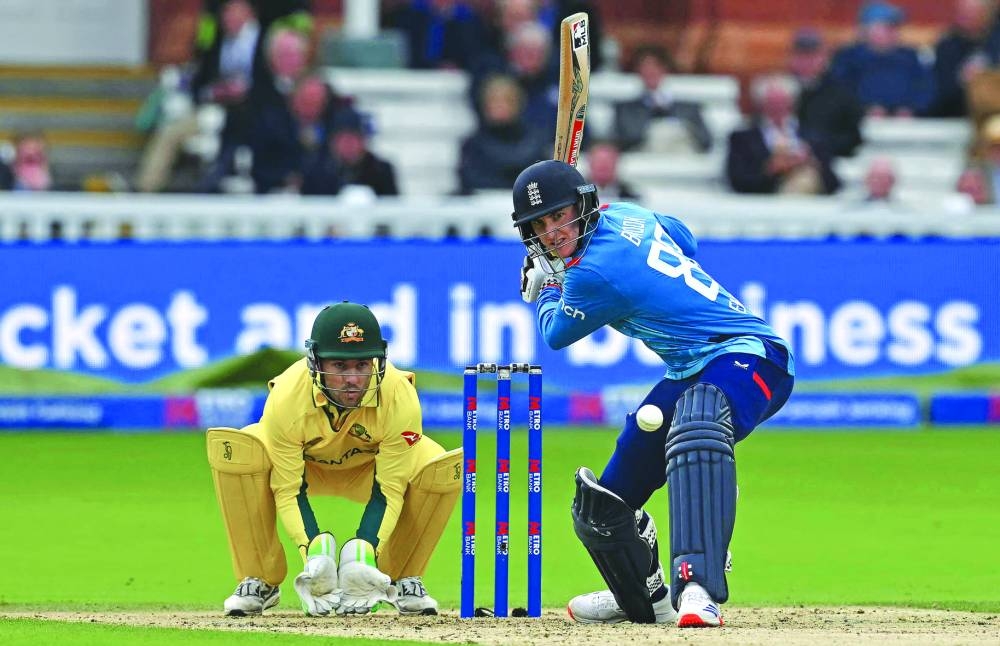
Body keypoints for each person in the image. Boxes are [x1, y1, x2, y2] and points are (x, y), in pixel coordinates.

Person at [512, 160, 795, 628]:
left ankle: (699, 587)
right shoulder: (629, 214)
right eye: (540, 226)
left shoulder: (593, 277)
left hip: (752, 355)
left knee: (697, 422)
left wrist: (545, 288)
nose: (553, 232)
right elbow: (685, 239)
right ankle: (642, 595)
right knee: (603, 503)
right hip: (691, 366)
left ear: (581, 207)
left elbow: (556, 332)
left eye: (559, 216)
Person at [207, 302, 461, 617]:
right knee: (239, 448)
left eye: (362, 366)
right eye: (339, 366)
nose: (353, 379)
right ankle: (259, 578)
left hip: (368, 471)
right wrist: (313, 554)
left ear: (378, 362)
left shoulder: (399, 396)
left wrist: (365, 552)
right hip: (307, 469)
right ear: (315, 363)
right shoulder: (287, 396)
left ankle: (398, 577)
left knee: (436, 463)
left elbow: (390, 489)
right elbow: (288, 489)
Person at [726, 73, 841, 195]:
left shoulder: (813, 138)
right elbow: (738, 182)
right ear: (761, 105)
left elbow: (833, 184)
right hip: (766, 204)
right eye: (772, 104)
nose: (778, 108)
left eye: (782, 103)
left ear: (792, 103)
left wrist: (814, 163)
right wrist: (771, 169)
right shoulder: (743, 139)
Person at [829, 1, 935, 117]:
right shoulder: (847, 58)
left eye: (896, 27)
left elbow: (926, 88)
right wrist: (863, 109)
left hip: (906, 126)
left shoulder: (911, 57)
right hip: (858, 124)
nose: (894, 32)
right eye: (887, 27)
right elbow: (839, 91)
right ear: (866, 29)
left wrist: (911, 109)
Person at [612, 45, 712, 154]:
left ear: (664, 70)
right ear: (638, 72)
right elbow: (623, 141)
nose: (650, 72)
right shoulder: (625, 109)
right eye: (645, 67)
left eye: (655, 67)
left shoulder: (689, 108)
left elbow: (705, 141)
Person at [788, 28, 864, 158]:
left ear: (824, 58)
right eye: (801, 56)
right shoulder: (779, 91)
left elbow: (853, 138)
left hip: (828, 161)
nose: (807, 62)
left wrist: (818, 146)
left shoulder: (842, 94)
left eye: (812, 56)